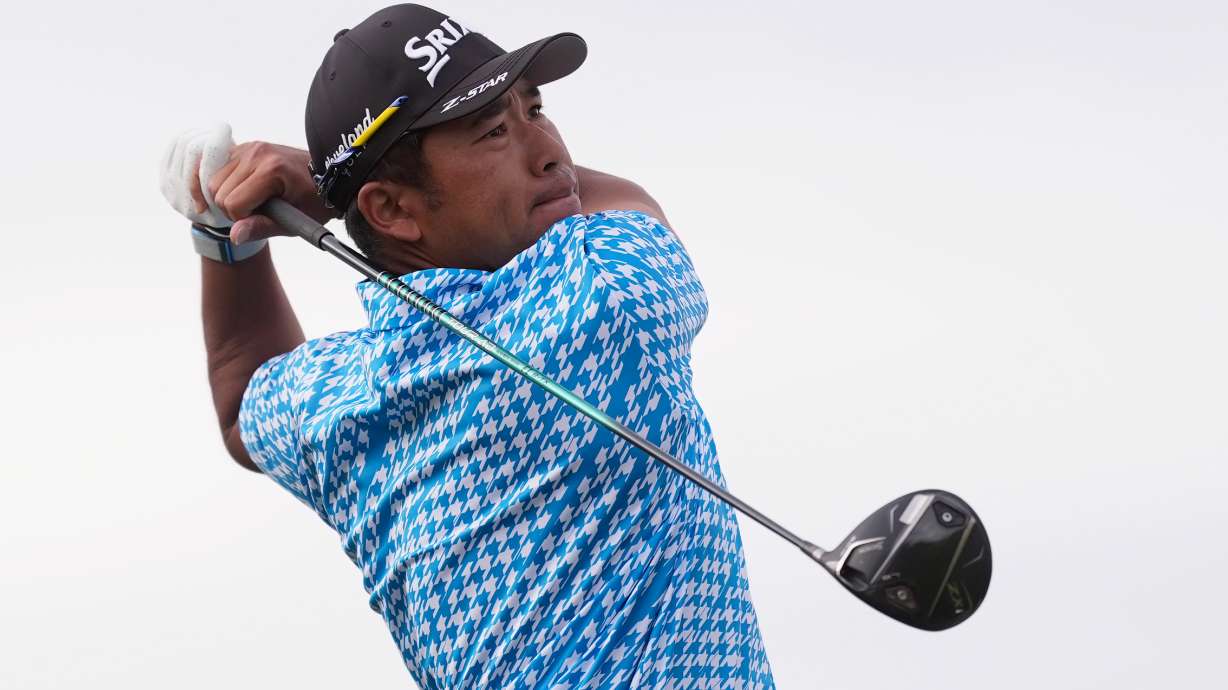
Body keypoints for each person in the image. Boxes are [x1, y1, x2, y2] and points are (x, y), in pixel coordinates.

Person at [160, 4, 776, 687]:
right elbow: (626, 201)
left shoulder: (336, 399)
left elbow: (242, 397)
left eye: (534, 109)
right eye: (493, 132)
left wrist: (222, 236)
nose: (549, 151)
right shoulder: (606, 296)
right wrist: (319, 181)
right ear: (392, 210)